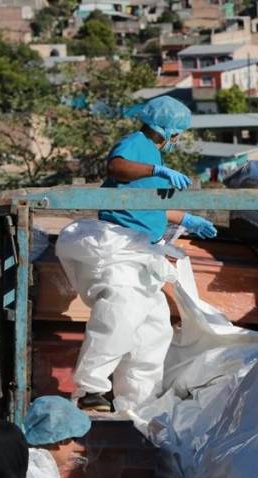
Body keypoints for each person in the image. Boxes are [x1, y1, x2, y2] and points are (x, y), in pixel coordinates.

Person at [55, 96, 217, 414]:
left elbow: (147, 204)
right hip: (118, 248)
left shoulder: (152, 154)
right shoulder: (135, 144)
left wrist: (186, 219)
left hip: (142, 252)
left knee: (154, 328)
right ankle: (91, 389)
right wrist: (157, 169)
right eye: (177, 132)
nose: (177, 138)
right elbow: (115, 168)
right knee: (120, 313)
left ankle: (138, 402)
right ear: (164, 128)